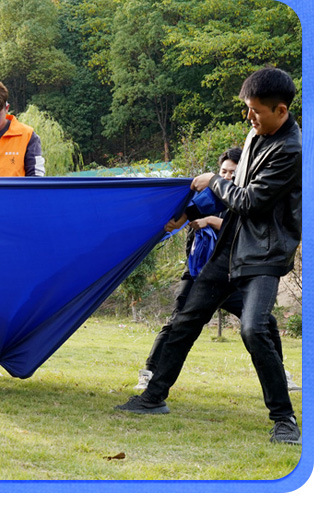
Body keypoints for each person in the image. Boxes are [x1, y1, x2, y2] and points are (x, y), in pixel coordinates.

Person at [116, 67, 302, 445]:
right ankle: (153, 398)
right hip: (230, 247)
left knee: (253, 328)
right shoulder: (255, 134)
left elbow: (249, 200)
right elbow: (234, 194)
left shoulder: (291, 150)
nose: (249, 118)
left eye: (256, 111)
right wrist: (186, 211)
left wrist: (213, 180)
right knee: (186, 318)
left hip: (264, 255)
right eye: (247, 110)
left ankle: (285, 420)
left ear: (281, 111)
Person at [134, 148, 299, 391]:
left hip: (235, 274)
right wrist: (176, 222)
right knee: (178, 322)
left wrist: (210, 221)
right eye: (223, 172)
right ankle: (150, 373)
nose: (227, 176)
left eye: (233, 172)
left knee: (263, 324)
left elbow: (243, 227)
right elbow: (188, 213)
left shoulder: (249, 196)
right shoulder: (209, 195)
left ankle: (280, 375)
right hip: (199, 273)